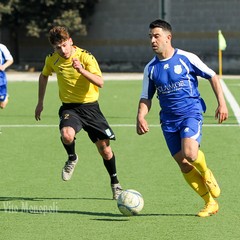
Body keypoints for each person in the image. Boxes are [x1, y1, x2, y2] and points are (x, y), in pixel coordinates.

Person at [136, 19, 228, 217]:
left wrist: (221, 103)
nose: (152, 40)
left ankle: (206, 172)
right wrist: (141, 116)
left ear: (168, 37)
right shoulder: (150, 68)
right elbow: (146, 96)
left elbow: (212, 76)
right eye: (150, 36)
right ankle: (209, 203)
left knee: (191, 154)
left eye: (156, 36)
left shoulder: (186, 58)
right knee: (183, 163)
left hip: (190, 113)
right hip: (168, 120)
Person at [35, 26, 123, 200]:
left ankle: (115, 183)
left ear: (71, 42)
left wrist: (81, 70)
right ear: (54, 48)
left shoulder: (85, 57)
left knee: (105, 151)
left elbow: (100, 82)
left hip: (91, 108)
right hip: (70, 108)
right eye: (58, 47)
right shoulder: (52, 59)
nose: (63, 50)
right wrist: (40, 102)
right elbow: (44, 75)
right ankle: (72, 157)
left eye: (65, 45)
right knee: (67, 135)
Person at [0, 43, 14, 109]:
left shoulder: (2, 47)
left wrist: (4, 66)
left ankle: (5, 97)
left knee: (2, 106)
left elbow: (10, 59)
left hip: (0, 77)